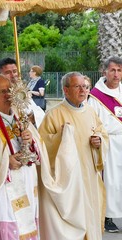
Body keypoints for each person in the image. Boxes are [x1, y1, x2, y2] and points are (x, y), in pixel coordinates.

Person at [0, 74, 47, 239]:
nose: (8, 95)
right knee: (12, 227)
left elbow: (38, 145)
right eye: (2, 92)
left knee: (29, 223)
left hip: (26, 178)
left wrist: (30, 140)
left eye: (9, 90)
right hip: (5, 185)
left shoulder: (18, 113)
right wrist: (6, 162)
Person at [38, 72, 108, 240]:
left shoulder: (90, 111)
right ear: (66, 90)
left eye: (84, 86)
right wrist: (60, 137)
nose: (83, 90)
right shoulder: (54, 115)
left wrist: (99, 141)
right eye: (77, 86)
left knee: (90, 213)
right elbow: (43, 146)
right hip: (69, 181)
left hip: (89, 175)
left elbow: (102, 134)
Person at [88, 56, 122, 233]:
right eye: (113, 70)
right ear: (105, 72)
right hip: (108, 143)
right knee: (110, 181)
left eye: (119, 70)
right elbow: (91, 122)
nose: (116, 74)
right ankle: (107, 216)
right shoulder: (96, 96)